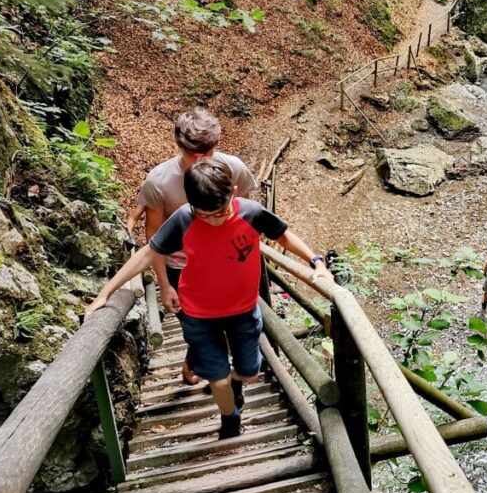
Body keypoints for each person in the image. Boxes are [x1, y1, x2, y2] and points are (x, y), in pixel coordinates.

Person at [86, 158, 331, 440]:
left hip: (243, 310)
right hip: (198, 314)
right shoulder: (182, 219)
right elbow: (147, 254)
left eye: (221, 211)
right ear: (191, 203)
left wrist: (316, 261)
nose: (215, 219)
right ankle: (230, 418)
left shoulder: (251, 213)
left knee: (250, 370)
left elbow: (283, 235)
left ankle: (233, 386)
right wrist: (106, 293)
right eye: (205, 214)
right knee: (219, 378)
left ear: (234, 191)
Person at [133, 108, 257, 386]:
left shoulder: (234, 169)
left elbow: (245, 217)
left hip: (225, 264)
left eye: (207, 153)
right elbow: (153, 237)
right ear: (179, 146)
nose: (200, 161)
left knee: (226, 324)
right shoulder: (160, 181)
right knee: (199, 327)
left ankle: (212, 371)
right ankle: (198, 359)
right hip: (182, 267)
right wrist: (165, 284)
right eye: (192, 154)